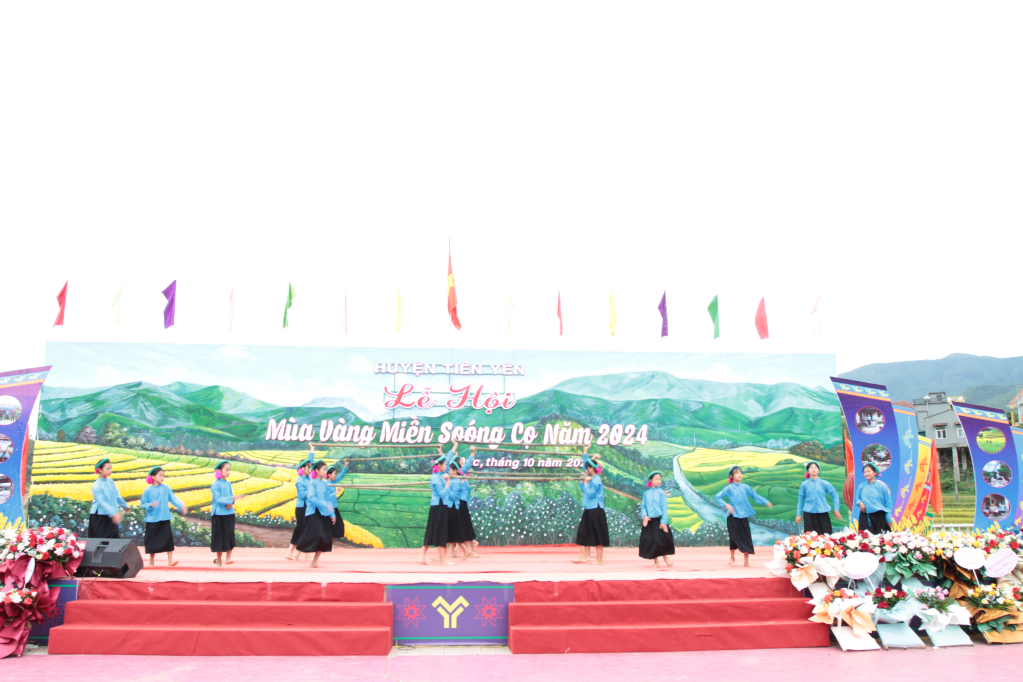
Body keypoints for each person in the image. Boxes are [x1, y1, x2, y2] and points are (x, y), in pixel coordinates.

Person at [714, 466, 773, 567]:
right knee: (734, 537)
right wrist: (727, 505)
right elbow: (717, 496)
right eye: (737, 473)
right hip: (732, 516)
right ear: (731, 476)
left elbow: (755, 496)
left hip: (743, 515)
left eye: (740, 472)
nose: (739, 474)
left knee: (746, 537)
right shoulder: (728, 488)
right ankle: (732, 557)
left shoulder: (745, 487)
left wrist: (765, 501)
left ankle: (746, 560)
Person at [417, 445, 459, 565]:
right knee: (441, 532)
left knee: (431, 532)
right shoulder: (436, 478)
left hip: (439, 507)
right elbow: (443, 494)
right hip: (438, 507)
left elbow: (448, 458)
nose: (447, 466)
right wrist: (448, 481)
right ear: (439, 466)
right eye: (445, 465)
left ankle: (421, 556)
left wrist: (454, 446)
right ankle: (443, 559)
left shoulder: (440, 474)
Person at [140, 466, 187, 566]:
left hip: (164, 517)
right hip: (152, 519)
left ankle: (170, 560)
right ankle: (151, 561)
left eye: (163, 476)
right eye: (160, 475)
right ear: (153, 477)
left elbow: (173, 498)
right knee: (151, 540)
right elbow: (143, 504)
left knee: (167, 539)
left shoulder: (166, 488)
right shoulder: (148, 491)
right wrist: (150, 505)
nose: (162, 478)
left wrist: (181, 505)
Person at [297, 460, 334, 568]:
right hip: (314, 513)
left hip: (324, 512)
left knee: (325, 537)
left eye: (326, 469)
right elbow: (311, 498)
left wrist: (332, 515)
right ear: (317, 471)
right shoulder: (312, 483)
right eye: (324, 469)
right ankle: (299, 549)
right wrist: (324, 504)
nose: (325, 471)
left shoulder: (324, 483)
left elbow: (328, 499)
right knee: (317, 534)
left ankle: (314, 562)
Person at [574, 452, 609, 564]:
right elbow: (586, 490)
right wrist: (582, 483)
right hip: (590, 508)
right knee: (583, 531)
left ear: (590, 469)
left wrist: (584, 483)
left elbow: (590, 494)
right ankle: (583, 557)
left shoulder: (596, 480)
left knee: (598, 533)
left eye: (586, 468)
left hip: (596, 509)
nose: (585, 470)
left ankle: (599, 560)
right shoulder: (592, 479)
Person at [795, 461, 843, 534]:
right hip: (808, 514)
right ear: (807, 471)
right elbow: (800, 500)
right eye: (811, 468)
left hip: (823, 513)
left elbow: (835, 495)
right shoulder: (804, 484)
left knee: (826, 535)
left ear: (819, 470)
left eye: (815, 468)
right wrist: (799, 514)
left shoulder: (824, 483)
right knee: (809, 537)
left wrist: (836, 509)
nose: (813, 469)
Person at [639, 471, 674, 568]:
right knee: (651, 541)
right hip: (650, 521)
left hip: (659, 521)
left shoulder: (661, 493)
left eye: (660, 479)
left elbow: (664, 508)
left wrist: (664, 521)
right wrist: (645, 516)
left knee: (660, 541)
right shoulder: (646, 493)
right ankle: (656, 562)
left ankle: (666, 558)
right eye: (656, 479)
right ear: (651, 480)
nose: (658, 481)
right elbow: (643, 507)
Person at [89, 458, 129, 539]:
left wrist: (125, 506)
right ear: (100, 470)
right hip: (100, 516)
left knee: (113, 538)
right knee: (101, 540)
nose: (110, 470)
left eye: (111, 468)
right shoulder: (96, 485)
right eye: (107, 469)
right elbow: (102, 502)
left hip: (111, 515)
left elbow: (117, 496)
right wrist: (113, 514)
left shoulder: (110, 481)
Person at [285, 448, 315, 560]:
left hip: (308, 508)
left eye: (310, 466)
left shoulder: (308, 478)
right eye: (308, 467)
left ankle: (291, 553)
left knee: (300, 530)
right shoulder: (300, 480)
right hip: (302, 508)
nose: (310, 468)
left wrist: (312, 450)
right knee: (304, 530)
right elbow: (302, 495)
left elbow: (310, 461)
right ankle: (305, 554)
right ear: (303, 468)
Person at [210, 460, 237, 566]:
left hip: (229, 513)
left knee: (229, 535)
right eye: (226, 470)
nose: (228, 472)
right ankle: (219, 560)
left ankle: (228, 558)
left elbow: (231, 496)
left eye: (229, 470)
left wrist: (232, 501)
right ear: (219, 471)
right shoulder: (215, 484)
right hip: (218, 514)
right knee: (219, 537)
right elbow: (218, 499)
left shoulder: (228, 483)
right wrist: (230, 500)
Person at [853, 462, 892, 534]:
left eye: (869, 471)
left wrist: (888, 518)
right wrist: (860, 503)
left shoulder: (881, 486)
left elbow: (888, 504)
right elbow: (857, 498)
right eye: (865, 472)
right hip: (865, 516)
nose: (866, 473)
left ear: (875, 473)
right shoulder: (862, 486)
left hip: (879, 516)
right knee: (865, 539)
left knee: (881, 540)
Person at [324, 460, 349, 542]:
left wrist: (345, 466)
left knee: (338, 526)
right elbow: (327, 497)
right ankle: (327, 544)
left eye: (335, 474)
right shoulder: (326, 484)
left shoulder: (333, 481)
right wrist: (337, 492)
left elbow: (341, 475)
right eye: (334, 474)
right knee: (330, 527)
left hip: (334, 507)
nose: (335, 475)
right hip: (329, 508)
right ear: (329, 474)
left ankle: (329, 544)